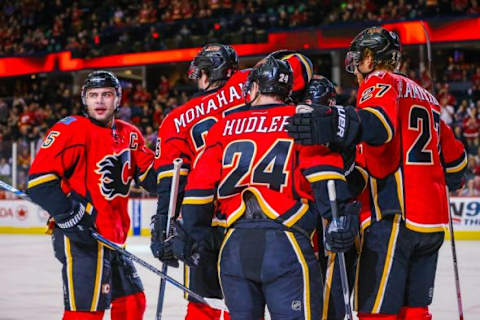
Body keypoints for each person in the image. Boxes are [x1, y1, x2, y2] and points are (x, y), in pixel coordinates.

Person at [287, 27, 467, 320]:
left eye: (358, 59)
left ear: (370, 58)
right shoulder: (429, 99)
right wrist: (452, 177)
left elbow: (380, 126)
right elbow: (457, 162)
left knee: (377, 312)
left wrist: (336, 121)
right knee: (416, 310)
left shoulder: (379, 82)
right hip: (432, 224)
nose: (356, 69)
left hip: (394, 216)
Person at [175, 56, 359, 319]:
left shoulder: (224, 126)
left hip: (234, 249)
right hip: (286, 244)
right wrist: (342, 217)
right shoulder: (301, 119)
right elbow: (326, 178)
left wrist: (192, 233)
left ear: (255, 88)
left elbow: (198, 190)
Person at [151, 44, 314, 319]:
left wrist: (163, 229)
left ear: (204, 74)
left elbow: (172, 180)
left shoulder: (175, 119)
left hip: (205, 220)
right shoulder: (250, 82)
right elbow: (301, 64)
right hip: (263, 215)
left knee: (204, 306)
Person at [27, 71, 157, 320]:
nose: (99, 101)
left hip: (113, 237)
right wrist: (68, 215)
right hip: (81, 236)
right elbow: (39, 182)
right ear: (84, 99)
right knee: (86, 313)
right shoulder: (71, 129)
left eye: (106, 95)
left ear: (117, 99)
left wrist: (173, 169)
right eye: (93, 95)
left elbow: (150, 178)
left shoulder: (129, 134)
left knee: (132, 303)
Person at [301, 75, 358, 320]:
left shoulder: (345, 130)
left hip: (334, 217)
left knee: (331, 294)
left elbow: (357, 174)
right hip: (313, 218)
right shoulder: (343, 124)